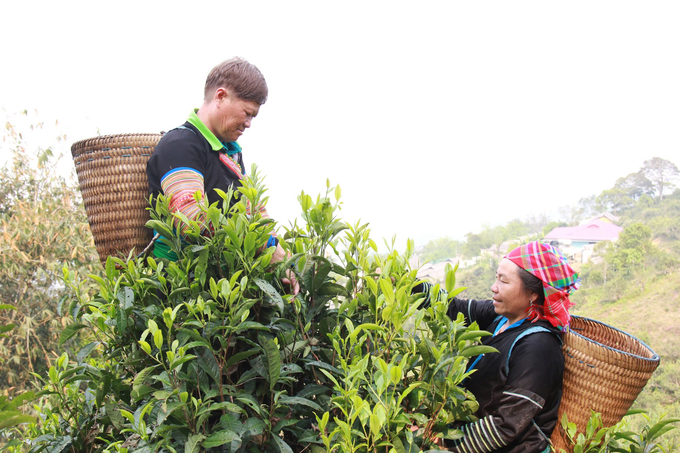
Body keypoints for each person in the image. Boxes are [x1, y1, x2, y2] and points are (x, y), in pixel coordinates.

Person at [146, 57, 298, 294]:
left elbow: (254, 211)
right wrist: (264, 247)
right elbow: (191, 220)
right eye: (247, 113)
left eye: (253, 117)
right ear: (220, 96)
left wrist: (282, 257)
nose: (248, 124)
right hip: (184, 291)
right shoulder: (181, 145)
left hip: (224, 291)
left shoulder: (229, 153)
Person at [416, 241, 579, 453]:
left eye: (504, 281)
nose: (494, 287)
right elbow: (454, 308)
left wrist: (443, 442)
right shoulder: (502, 317)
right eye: (496, 277)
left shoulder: (538, 347)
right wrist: (409, 285)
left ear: (533, 294)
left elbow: (505, 426)